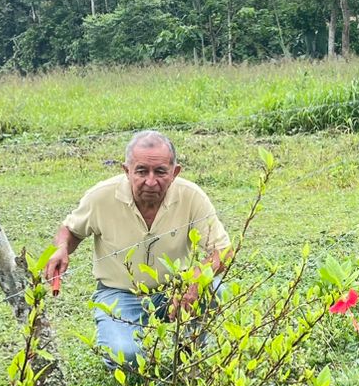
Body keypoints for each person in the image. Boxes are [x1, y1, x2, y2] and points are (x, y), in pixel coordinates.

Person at [45, 129, 230, 371]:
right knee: (127, 358)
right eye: (141, 171)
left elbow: (223, 250)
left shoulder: (191, 196)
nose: (150, 181)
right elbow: (71, 230)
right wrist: (61, 248)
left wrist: (195, 280)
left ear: (175, 172)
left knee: (213, 289)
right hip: (120, 294)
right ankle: (126, 348)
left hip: (175, 291)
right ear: (126, 170)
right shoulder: (101, 196)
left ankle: (188, 350)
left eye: (160, 172)